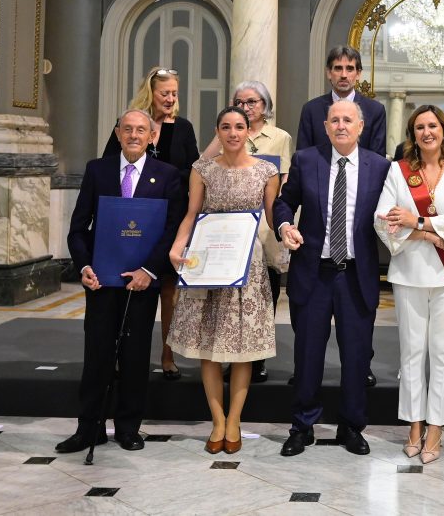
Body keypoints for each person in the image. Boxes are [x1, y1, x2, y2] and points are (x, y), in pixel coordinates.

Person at [58, 109, 184, 454]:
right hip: (101, 281)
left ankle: (128, 428)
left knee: (135, 356)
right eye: (127, 129)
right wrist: (84, 266)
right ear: (117, 133)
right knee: (97, 356)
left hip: (142, 283)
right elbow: (78, 227)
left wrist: (150, 271)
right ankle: (89, 429)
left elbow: (172, 229)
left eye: (141, 130)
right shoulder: (97, 170)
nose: (133, 135)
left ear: (152, 136)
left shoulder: (167, 175)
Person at [274, 100, 390, 457]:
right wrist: (284, 226)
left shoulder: (379, 166)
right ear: (325, 127)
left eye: (348, 120)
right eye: (335, 120)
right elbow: (283, 202)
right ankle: (302, 426)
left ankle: (351, 427)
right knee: (308, 355)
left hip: (356, 275)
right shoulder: (306, 160)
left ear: (360, 127)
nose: (341, 126)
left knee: (356, 357)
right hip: (314, 273)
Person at [167, 107, 280, 455]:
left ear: (248, 131)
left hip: (247, 265)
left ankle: (234, 420)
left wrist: (289, 234)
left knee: (243, 349)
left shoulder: (267, 171)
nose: (233, 133)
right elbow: (191, 214)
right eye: (226, 127)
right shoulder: (202, 170)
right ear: (217, 131)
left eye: (239, 127)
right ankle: (217, 421)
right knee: (209, 346)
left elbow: (274, 217)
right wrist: (177, 246)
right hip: (209, 262)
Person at [375, 104, 444, 464]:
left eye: (433, 125)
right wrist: (429, 234)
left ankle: (436, 427)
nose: (427, 132)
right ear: (412, 134)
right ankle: (414, 424)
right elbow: (383, 218)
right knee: (412, 352)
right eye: (420, 127)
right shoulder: (398, 171)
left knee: (443, 354)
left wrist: (416, 222)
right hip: (409, 272)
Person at [104, 67, 199, 382]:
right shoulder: (132, 123)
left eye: (174, 93)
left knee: (169, 292)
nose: (170, 99)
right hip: (133, 217)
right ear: (151, 93)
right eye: (164, 93)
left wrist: (166, 176)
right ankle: (123, 355)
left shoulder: (182, 128)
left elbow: (193, 169)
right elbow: (109, 164)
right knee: (128, 288)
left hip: (171, 216)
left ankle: (167, 356)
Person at [203, 81, 293, 384]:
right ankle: (230, 354)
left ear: (265, 106)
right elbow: (203, 165)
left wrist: (283, 223)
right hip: (228, 230)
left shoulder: (280, 137)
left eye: (252, 102)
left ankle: (257, 358)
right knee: (229, 298)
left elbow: (284, 181)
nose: (245, 107)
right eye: (239, 102)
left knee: (264, 296)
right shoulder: (229, 132)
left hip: (264, 227)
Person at [297, 45, 387, 157]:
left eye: (349, 69)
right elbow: (303, 158)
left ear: (358, 74)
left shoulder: (375, 111)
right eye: (338, 68)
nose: (344, 75)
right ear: (329, 73)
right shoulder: (311, 110)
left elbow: (378, 159)